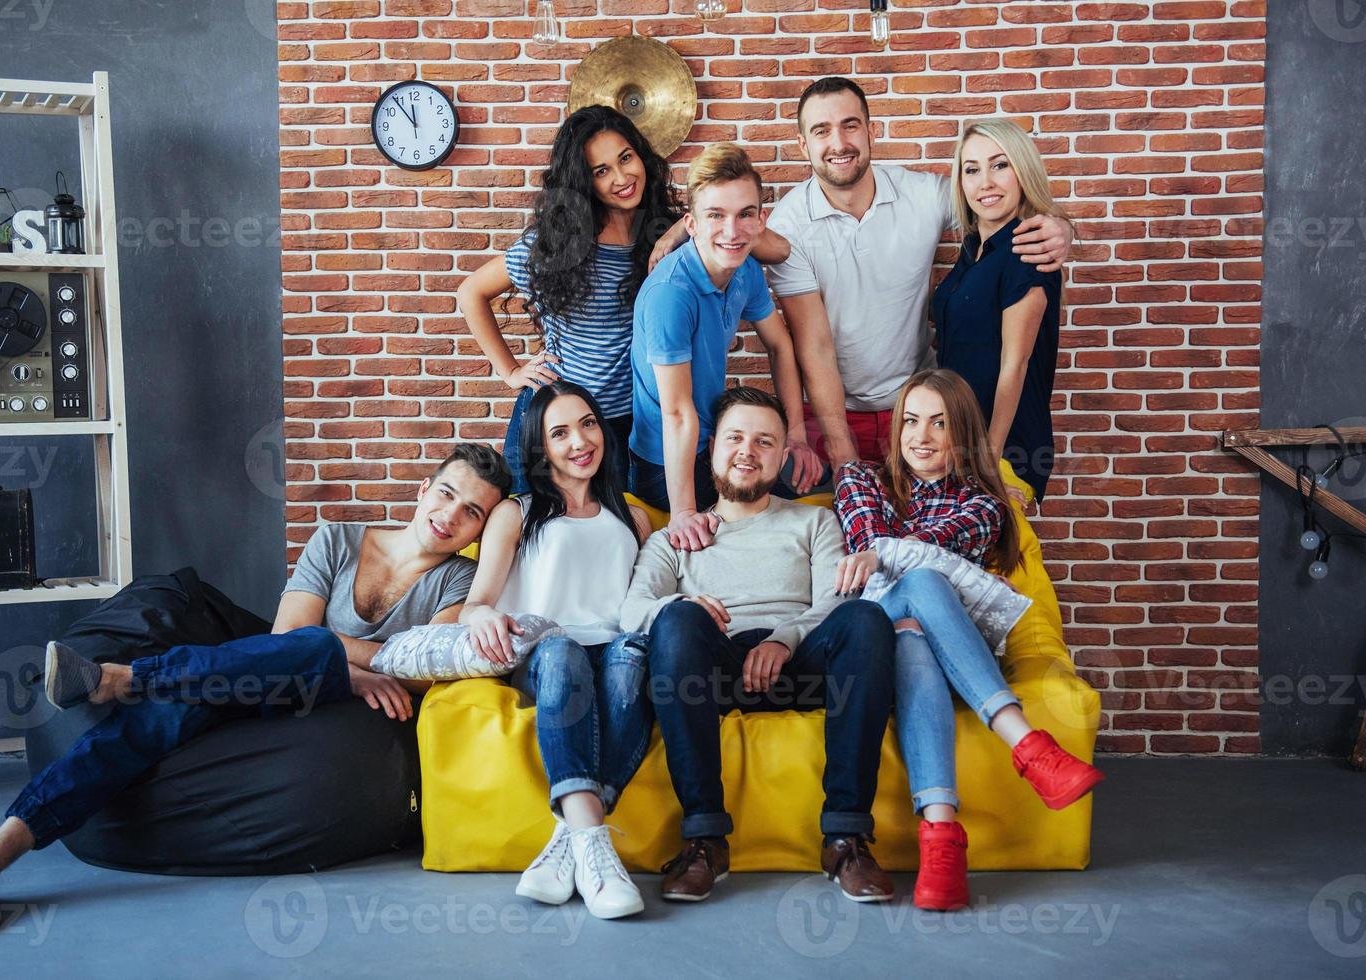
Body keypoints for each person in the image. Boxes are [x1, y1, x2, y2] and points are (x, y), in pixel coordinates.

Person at [0, 445, 512, 935]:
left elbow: (420, 666)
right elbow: (287, 635)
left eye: (472, 512)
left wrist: (334, 658)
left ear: (481, 529)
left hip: (334, 718)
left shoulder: (458, 582)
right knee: (172, 711)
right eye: (446, 494)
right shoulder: (339, 540)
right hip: (270, 675)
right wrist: (349, 661)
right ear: (423, 489)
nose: (451, 516)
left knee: (303, 652)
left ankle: (123, 679)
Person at [832, 369, 1103, 912]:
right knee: (912, 605)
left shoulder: (984, 503)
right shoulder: (859, 478)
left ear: (963, 433)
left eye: (938, 423)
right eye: (910, 420)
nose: (921, 436)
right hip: (873, 637)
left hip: (959, 651)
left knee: (918, 614)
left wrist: (887, 553)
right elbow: (875, 546)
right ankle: (1028, 746)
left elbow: (914, 546)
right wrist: (888, 554)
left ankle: (942, 846)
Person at [621, 386, 898, 905]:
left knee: (865, 616)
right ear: (713, 448)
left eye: (765, 441)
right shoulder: (672, 539)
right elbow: (632, 612)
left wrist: (783, 640)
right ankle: (703, 841)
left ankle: (846, 839)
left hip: (804, 664)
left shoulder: (814, 521)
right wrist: (684, 608)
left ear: (781, 456)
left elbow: (833, 603)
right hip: (713, 671)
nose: (748, 451)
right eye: (736, 438)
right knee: (675, 618)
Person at [459, 105, 788, 493]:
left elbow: (776, 248)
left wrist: (675, 234)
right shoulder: (553, 244)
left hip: (630, 421)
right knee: (530, 529)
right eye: (601, 171)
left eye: (626, 158)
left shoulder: (668, 230)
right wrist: (510, 371)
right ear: (583, 181)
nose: (621, 177)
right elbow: (471, 293)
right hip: (558, 416)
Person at [759, 76, 1074, 472]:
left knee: (924, 529)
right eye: (822, 130)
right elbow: (814, 345)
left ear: (871, 131)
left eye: (850, 125)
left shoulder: (923, 195)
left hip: (922, 406)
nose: (838, 143)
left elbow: (994, 198)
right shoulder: (790, 225)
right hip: (835, 412)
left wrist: (1058, 225)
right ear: (803, 144)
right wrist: (839, 444)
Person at [457, 381, 654, 920]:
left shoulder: (632, 519)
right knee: (563, 649)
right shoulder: (517, 512)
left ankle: (572, 841)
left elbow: (638, 607)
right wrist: (486, 617)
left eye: (588, 424)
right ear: (541, 448)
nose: (580, 441)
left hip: (615, 652)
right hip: (546, 657)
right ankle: (597, 845)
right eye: (560, 432)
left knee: (632, 653)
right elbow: (477, 603)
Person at [629, 142, 823, 552]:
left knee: (819, 488)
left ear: (760, 219)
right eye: (716, 216)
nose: (732, 232)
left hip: (715, 443)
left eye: (744, 215)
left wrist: (797, 433)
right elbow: (678, 414)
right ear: (692, 224)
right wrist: (683, 513)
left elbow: (780, 347)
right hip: (665, 462)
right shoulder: (671, 294)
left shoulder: (747, 269)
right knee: (752, 533)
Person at [932, 119, 1065, 503]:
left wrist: (987, 460)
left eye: (1000, 165)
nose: (985, 182)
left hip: (1003, 449)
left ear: (1023, 171)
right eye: (971, 170)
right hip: (961, 442)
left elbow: (1015, 364)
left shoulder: (1027, 251)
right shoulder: (973, 250)